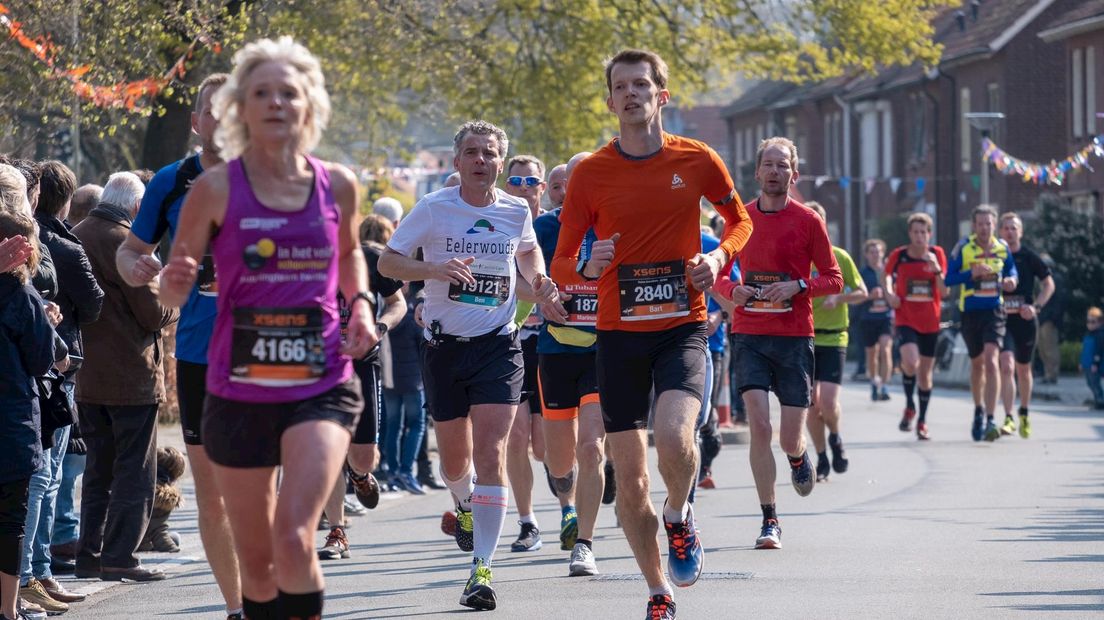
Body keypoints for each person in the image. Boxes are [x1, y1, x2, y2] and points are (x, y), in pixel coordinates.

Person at [159, 37, 379, 620]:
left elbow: (351, 251)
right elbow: (172, 285)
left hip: (321, 380)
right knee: (256, 566)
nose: (276, 103)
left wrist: (359, 305)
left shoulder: (339, 184)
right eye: (262, 93)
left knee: (294, 536)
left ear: (309, 104)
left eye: (289, 92)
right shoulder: (215, 188)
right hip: (238, 388)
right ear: (240, 108)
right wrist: (173, 280)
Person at [551, 49, 752, 619]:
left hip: (682, 329)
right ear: (611, 100)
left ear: (663, 96)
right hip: (618, 337)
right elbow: (561, 261)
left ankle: (680, 513)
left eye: (643, 84)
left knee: (674, 437)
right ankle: (658, 590)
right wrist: (589, 268)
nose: (632, 94)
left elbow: (740, 221)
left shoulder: (697, 159)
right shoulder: (590, 172)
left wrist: (718, 262)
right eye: (621, 86)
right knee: (630, 477)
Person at [380, 119, 563, 611]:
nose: (482, 160)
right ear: (457, 161)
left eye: (490, 154)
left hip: (498, 348)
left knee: (492, 456)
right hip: (443, 347)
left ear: (500, 164)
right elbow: (388, 263)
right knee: (455, 462)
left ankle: (481, 570)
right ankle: (462, 504)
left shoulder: (513, 211)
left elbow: (528, 250)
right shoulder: (434, 209)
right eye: (473, 153)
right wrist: (432, 269)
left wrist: (540, 279)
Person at [115, 72, 244, 620]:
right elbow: (129, 253)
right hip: (199, 354)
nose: (223, 120)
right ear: (197, 122)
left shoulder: (279, 175)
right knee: (214, 496)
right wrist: (137, 266)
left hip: (272, 347)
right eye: (212, 111)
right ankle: (240, 608)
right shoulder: (172, 179)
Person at [714, 137, 842, 551]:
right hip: (749, 334)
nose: (774, 172)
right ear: (756, 173)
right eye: (767, 165)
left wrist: (799, 285)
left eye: (782, 165)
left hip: (793, 337)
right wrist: (732, 290)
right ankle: (770, 518)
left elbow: (833, 278)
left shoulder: (807, 221)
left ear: (794, 174)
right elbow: (718, 272)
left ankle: (798, 456)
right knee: (760, 425)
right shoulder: (740, 220)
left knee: (788, 436)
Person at [72, 172, 178, 584]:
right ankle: (120, 556)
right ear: (137, 208)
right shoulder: (126, 243)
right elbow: (153, 311)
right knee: (136, 470)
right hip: (131, 376)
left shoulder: (77, 233)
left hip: (88, 374)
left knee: (98, 469)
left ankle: (90, 553)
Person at [21, 160, 101, 611]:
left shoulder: (51, 240)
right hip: (52, 365)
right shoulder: (52, 244)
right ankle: (30, 573)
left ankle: (41, 570)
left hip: (58, 360)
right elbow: (92, 304)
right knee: (42, 478)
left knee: (49, 478)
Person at [316, 212, 405, 562]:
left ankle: (359, 472)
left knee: (363, 454)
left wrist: (380, 327)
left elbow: (397, 303)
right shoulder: (302, 257)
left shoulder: (368, 257)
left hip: (362, 362)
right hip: (319, 364)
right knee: (328, 450)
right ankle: (336, 531)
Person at [533, 155, 604, 575]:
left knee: (592, 446)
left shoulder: (615, 222)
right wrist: (543, 297)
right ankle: (569, 497)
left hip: (603, 349)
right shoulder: (544, 228)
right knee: (560, 463)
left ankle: (585, 544)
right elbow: (524, 275)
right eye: (574, 180)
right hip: (556, 350)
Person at [0, 210, 63, 620]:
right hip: (11, 421)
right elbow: (44, 358)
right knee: (10, 519)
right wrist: (47, 321)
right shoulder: (20, 295)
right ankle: (8, 609)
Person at [499, 154, 552, 554]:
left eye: (529, 181)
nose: (522, 188)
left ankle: (571, 489)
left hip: (555, 344)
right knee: (515, 438)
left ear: (543, 188)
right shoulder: (498, 223)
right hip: (511, 341)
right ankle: (527, 521)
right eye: (514, 182)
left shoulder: (554, 227)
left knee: (545, 447)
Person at [944, 205, 1018, 442]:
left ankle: (990, 418)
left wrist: (1011, 281)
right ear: (974, 226)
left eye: (989, 224)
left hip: (994, 311)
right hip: (970, 313)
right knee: (977, 366)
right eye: (980, 224)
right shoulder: (964, 247)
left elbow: (1012, 271)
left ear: (994, 225)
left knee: (991, 359)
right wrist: (971, 274)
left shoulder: (1002, 247)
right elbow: (948, 278)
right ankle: (977, 409)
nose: (985, 228)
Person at [805, 202, 866, 482]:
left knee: (827, 404)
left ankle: (836, 437)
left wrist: (839, 297)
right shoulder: (797, 257)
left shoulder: (838, 257)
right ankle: (820, 456)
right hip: (803, 338)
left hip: (834, 337)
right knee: (811, 406)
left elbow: (863, 292)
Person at [884, 213, 948, 440]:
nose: (920, 236)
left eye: (924, 232)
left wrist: (937, 270)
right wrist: (890, 294)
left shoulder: (937, 254)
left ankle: (921, 420)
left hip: (930, 321)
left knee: (925, 375)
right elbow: (887, 277)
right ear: (910, 233)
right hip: (906, 319)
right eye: (916, 232)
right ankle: (910, 404)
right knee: (910, 362)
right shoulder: (899, 255)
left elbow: (945, 291)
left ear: (929, 234)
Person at [996, 212, 1055, 438]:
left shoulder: (1029, 257)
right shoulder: (995, 257)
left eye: (1014, 228)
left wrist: (1036, 307)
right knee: (1006, 365)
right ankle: (1009, 417)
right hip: (1002, 320)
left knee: (1023, 368)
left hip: (1026, 321)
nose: (1010, 232)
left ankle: (1024, 412)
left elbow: (1049, 285)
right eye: (1006, 228)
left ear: (1020, 232)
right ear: (1000, 232)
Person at [858, 239, 893, 401]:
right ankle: (874, 382)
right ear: (866, 255)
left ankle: (885, 387)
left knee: (886, 349)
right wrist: (869, 296)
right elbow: (855, 298)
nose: (875, 255)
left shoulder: (888, 272)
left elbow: (897, 291)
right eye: (872, 252)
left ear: (883, 253)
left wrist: (887, 293)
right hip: (868, 318)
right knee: (872, 354)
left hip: (886, 317)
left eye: (878, 251)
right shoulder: (862, 274)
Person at [1080, 308, 1104, 409]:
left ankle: (1100, 400)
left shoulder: (1100, 335)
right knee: (1090, 383)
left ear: (1100, 322)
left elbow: (1098, 351)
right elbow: (1084, 350)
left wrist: (1096, 363)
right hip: (1087, 364)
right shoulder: (1088, 334)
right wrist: (1081, 362)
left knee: (1095, 383)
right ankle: (1097, 399)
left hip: (1094, 365)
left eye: (1093, 322)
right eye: (1088, 321)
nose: (1090, 324)